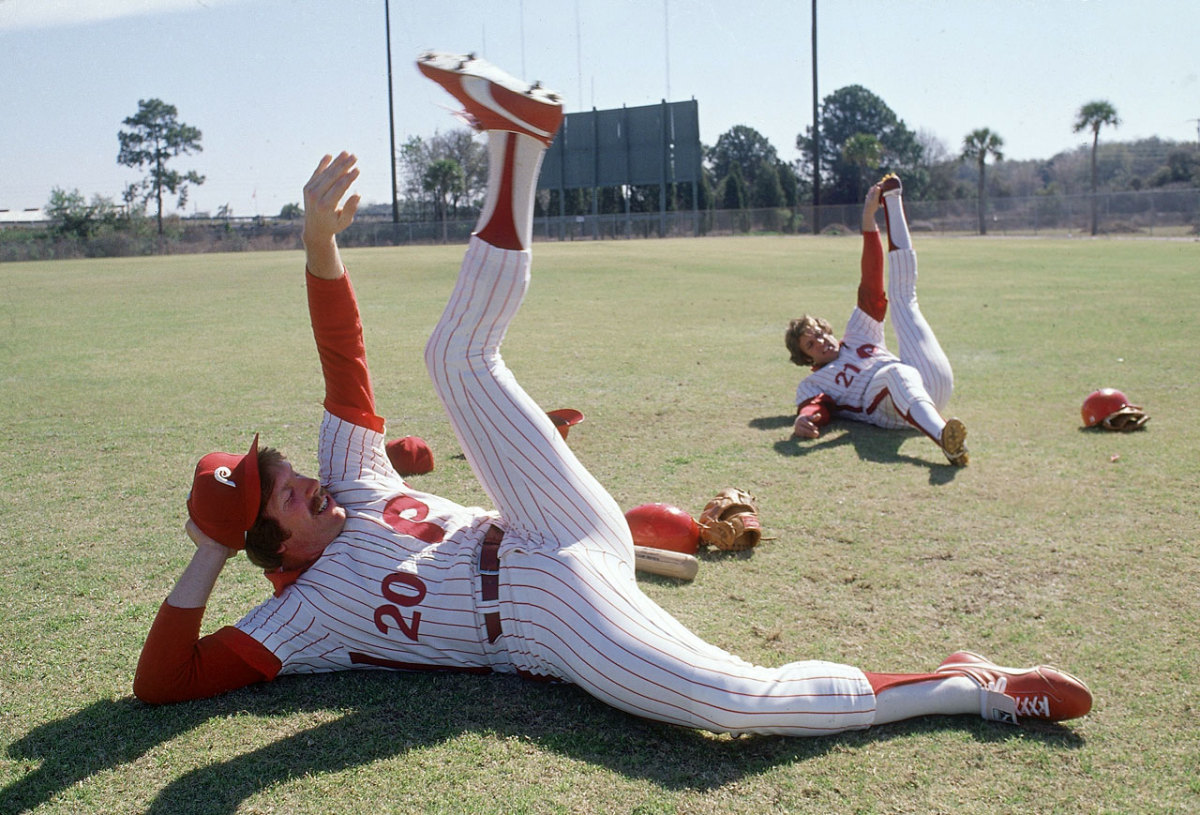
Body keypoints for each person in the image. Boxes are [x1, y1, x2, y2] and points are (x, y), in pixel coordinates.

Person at [134, 52, 1091, 735]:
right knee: (731, 704)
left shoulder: (347, 479)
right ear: (267, 544)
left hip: (544, 518)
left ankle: (517, 144)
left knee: (454, 358)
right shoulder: (290, 621)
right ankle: (971, 685)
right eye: (281, 496)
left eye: (286, 470)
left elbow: (344, 357)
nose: (303, 481)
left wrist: (318, 243)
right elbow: (161, 682)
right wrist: (209, 556)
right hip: (549, 619)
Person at [785, 179, 970, 465]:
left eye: (820, 333)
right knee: (896, 373)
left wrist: (869, 220)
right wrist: (803, 420)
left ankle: (894, 199)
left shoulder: (858, 334)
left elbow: (871, 284)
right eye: (811, 343)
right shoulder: (812, 381)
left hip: (927, 387)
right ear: (804, 356)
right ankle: (945, 438)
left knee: (904, 300)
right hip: (888, 410)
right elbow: (814, 407)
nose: (820, 341)